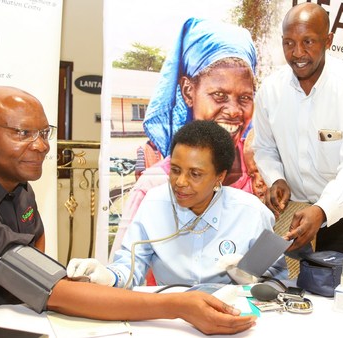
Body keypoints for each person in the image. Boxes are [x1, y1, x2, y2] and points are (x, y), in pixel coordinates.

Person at [0, 86, 256, 335]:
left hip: (10, 318)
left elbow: (36, 256)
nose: (41, 146)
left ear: (220, 177)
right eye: (22, 133)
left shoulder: (17, 186)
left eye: (43, 133)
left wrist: (68, 279)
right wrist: (179, 305)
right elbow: (53, 288)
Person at [111, 17, 266, 259]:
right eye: (219, 95)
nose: (234, 111)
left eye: (245, 98)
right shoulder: (155, 186)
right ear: (188, 91)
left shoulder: (260, 180)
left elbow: (269, 265)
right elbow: (124, 269)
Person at [69, 120, 287, 288]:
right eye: (175, 170)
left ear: (219, 176)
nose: (180, 182)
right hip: (171, 317)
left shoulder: (251, 213)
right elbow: (130, 267)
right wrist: (108, 276)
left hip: (232, 318)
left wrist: (250, 280)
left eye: (195, 174)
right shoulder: (154, 204)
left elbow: (276, 282)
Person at [252, 3, 343, 254]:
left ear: (328, 40)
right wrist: (276, 178)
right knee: (285, 286)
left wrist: (322, 211)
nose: (297, 53)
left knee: (340, 291)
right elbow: (265, 147)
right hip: (291, 211)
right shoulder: (271, 89)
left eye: (308, 42)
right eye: (289, 43)